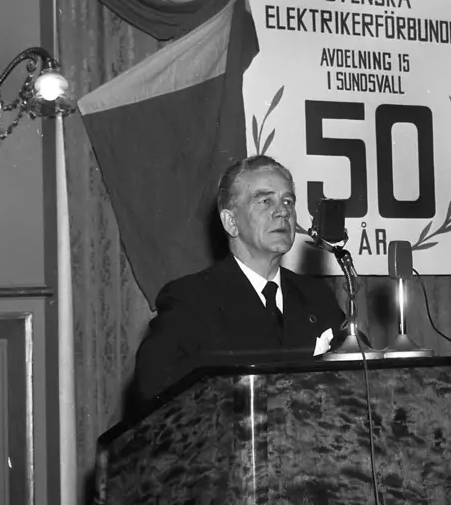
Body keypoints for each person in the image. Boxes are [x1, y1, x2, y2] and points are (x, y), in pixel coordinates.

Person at [132, 155, 344, 409]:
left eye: (288, 201)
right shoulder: (192, 298)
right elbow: (153, 385)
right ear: (231, 222)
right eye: (265, 201)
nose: (283, 211)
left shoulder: (317, 296)